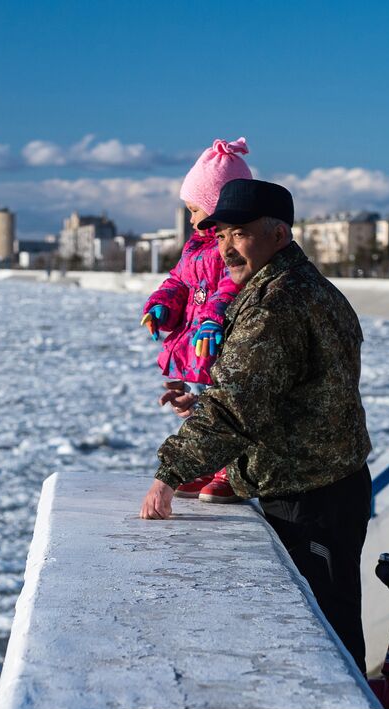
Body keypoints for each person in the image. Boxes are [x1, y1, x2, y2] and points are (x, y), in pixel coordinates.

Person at [139, 179, 373, 669]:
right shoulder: (306, 286)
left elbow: (238, 406)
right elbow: (278, 393)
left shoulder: (275, 304)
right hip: (325, 488)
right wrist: (207, 406)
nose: (226, 248)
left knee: (327, 643)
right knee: (333, 627)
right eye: (220, 234)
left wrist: (170, 473)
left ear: (279, 235)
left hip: (310, 497)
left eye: (239, 233)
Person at [139, 138, 253, 504]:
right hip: (196, 342)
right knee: (199, 404)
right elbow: (178, 282)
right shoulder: (194, 246)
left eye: (193, 209)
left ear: (215, 204)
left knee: (221, 404)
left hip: (215, 340)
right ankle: (204, 464)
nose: (190, 218)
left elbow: (232, 283)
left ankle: (227, 470)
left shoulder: (230, 246)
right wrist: (161, 306)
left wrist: (214, 320)